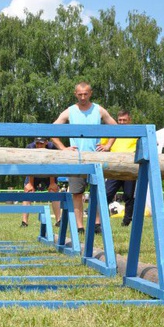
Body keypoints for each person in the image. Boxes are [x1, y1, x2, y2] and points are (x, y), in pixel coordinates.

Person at [51, 81, 117, 234]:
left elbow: (115, 127)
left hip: (96, 156)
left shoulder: (98, 110)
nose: (82, 97)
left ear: (90, 93)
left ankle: (97, 224)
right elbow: (53, 129)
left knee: (98, 191)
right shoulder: (70, 111)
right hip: (76, 158)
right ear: (75, 94)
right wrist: (63, 148)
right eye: (79, 94)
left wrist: (108, 146)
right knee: (77, 193)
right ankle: (79, 226)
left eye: (85, 94)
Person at [101, 110, 137, 227]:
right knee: (106, 194)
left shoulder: (135, 132)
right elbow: (103, 145)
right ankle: (102, 219)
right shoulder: (112, 131)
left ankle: (127, 221)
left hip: (129, 168)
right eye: (120, 120)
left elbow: (145, 143)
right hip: (114, 168)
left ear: (129, 120)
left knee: (129, 195)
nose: (121, 122)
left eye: (124, 120)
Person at [21, 137, 60, 228]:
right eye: (37, 143)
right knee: (28, 192)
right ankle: (24, 222)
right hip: (33, 173)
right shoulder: (30, 148)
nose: (39, 146)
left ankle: (59, 220)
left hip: (49, 171)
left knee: (54, 192)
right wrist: (30, 184)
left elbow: (53, 165)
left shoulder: (53, 147)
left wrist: (52, 183)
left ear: (46, 142)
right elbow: (30, 166)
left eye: (41, 144)